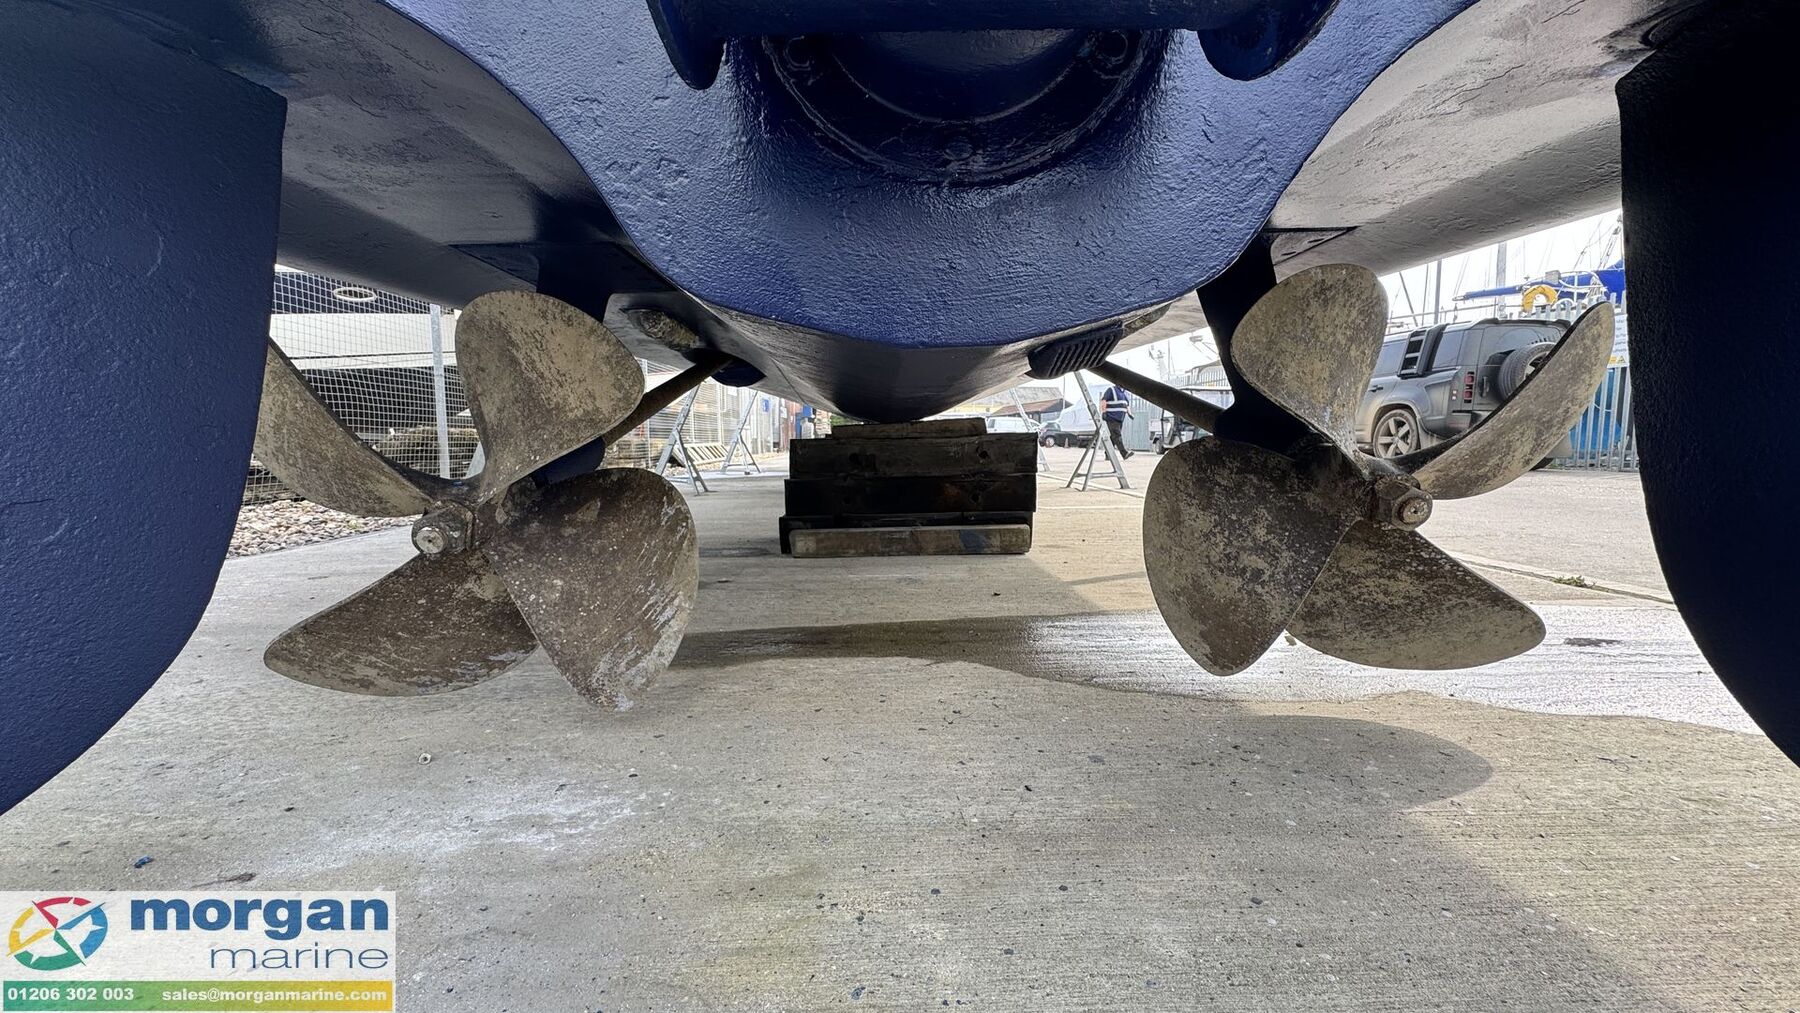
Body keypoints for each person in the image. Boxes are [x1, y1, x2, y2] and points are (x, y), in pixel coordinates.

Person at [1099, 383, 1134, 459]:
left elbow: (1126, 405)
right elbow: (1104, 400)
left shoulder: (1123, 393)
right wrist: (1104, 412)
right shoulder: (1111, 390)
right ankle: (1124, 454)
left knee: (1114, 437)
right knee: (1117, 435)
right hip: (1111, 417)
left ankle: (1107, 454)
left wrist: (1129, 413)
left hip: (1120, 419)